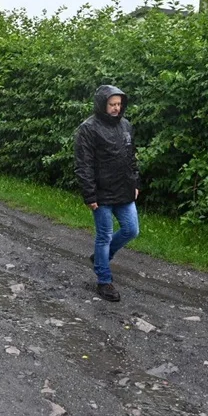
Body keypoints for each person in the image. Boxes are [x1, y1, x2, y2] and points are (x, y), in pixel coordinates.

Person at [73, 84, 141, 303]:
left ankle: (100, 260)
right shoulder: (88, 128)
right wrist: (90, 194)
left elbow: (132, 157)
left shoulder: (126, 126)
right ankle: (104, 280)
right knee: (104, 236)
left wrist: (136, 183)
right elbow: (84, 164)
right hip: (101, 193)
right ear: (102, 104)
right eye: (112, 104)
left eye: (119, 104)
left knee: (131, 230)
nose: (116, 108)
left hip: (124, 189)